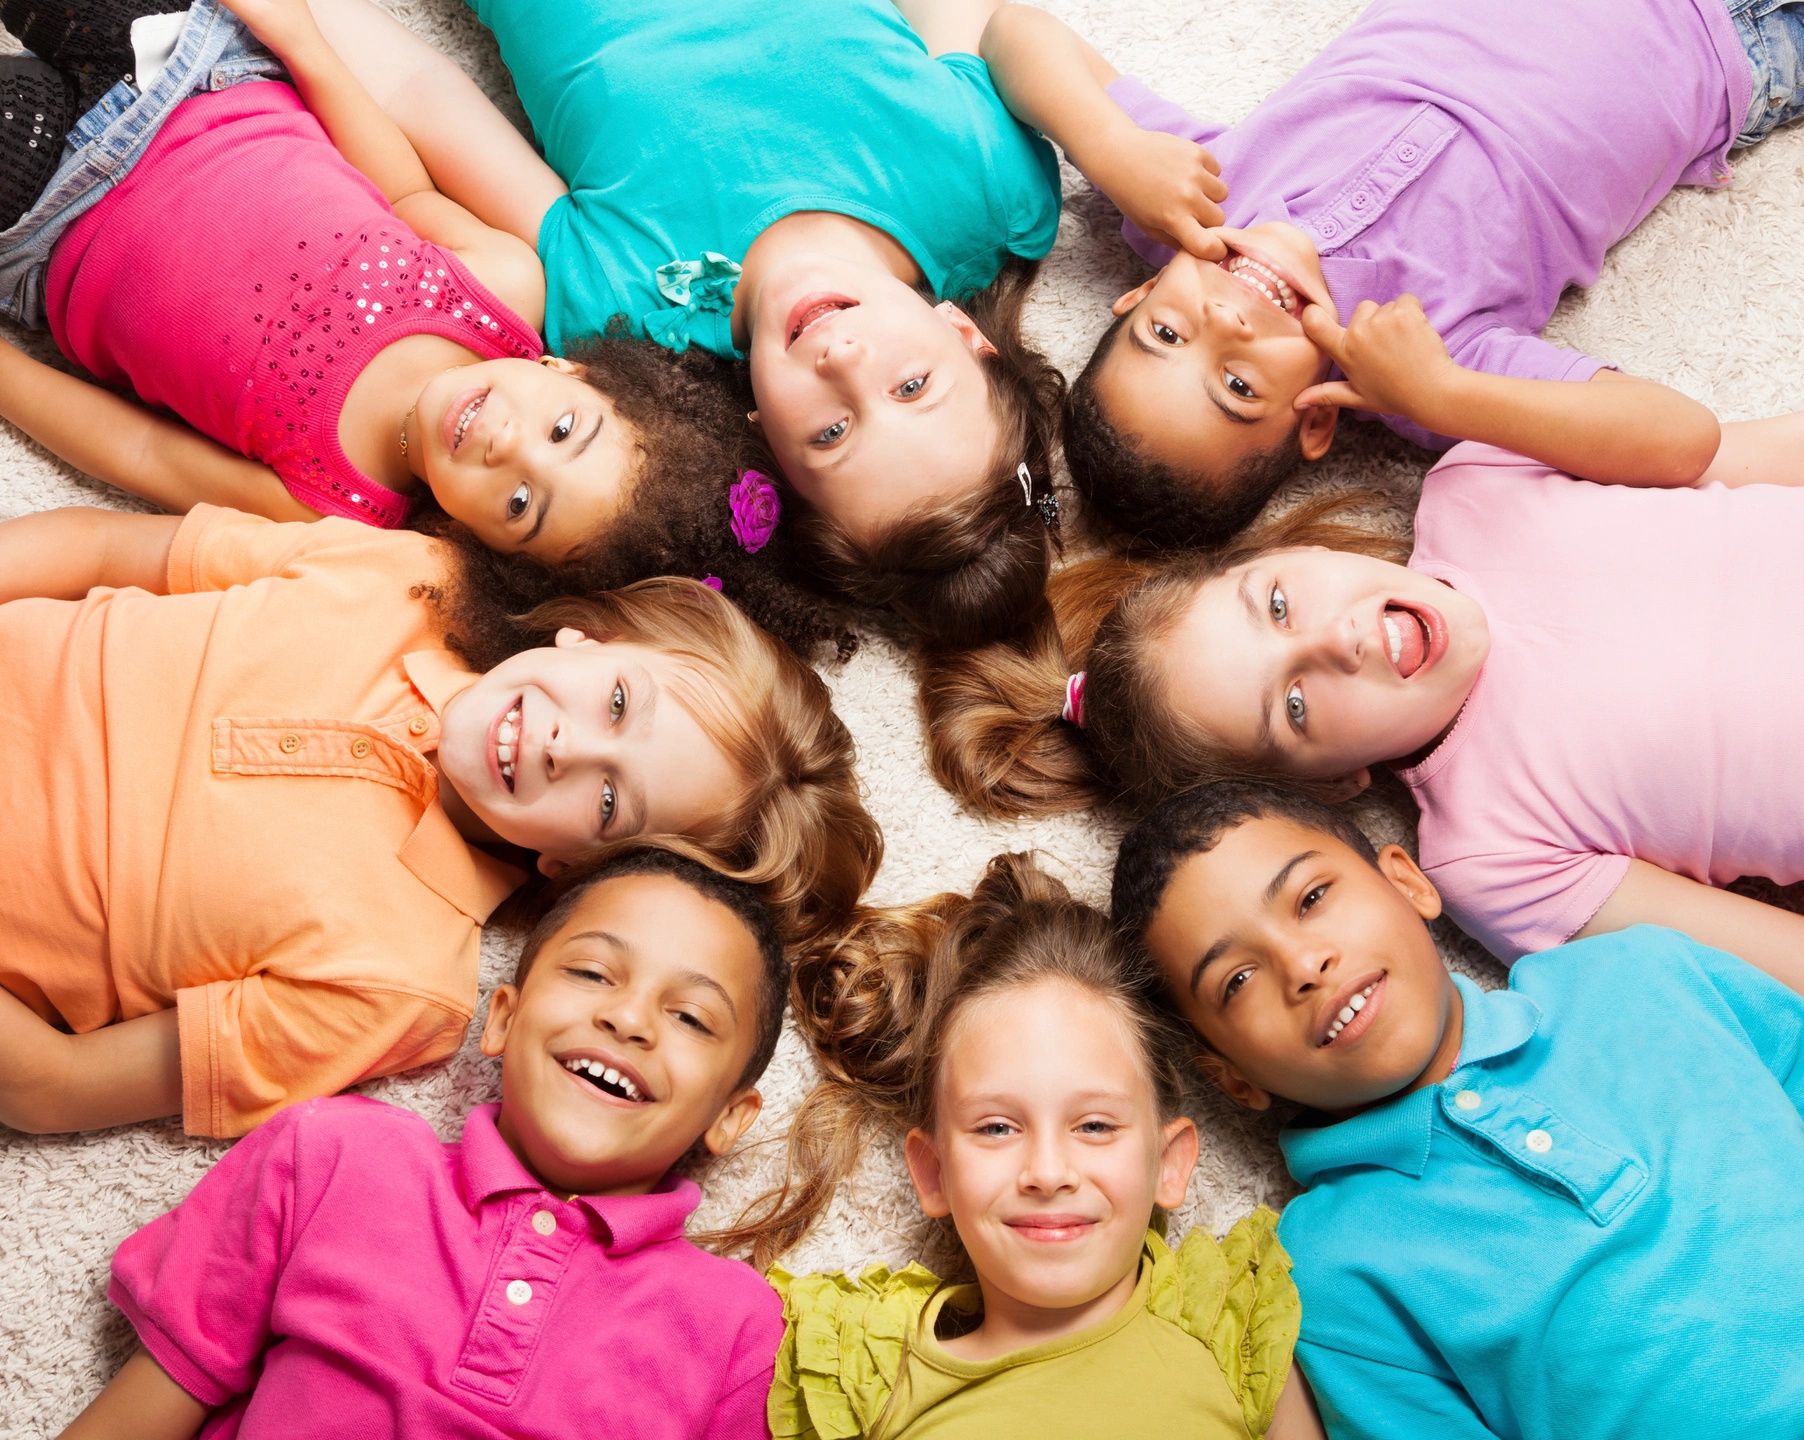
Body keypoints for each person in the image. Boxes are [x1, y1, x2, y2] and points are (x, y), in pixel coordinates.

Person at [291, 0, 1191, 644]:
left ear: (769, 444)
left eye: (834, 432)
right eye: (912, 386)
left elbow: (419, 91)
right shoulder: (986, 188)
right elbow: (982, 16)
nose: (842, 358)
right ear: (964, 334)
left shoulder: (625, 310)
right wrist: (1107, 143)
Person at [0, 501, 880, 1137]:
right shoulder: (409, 579)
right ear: (591, 636)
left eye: (610, 800)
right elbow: (117, 545)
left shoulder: (399, 985)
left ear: (581, 872)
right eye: (616, 700)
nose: (564, 745)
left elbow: (54, 1086)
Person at [0, 0, 838, 652]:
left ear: (479, 546)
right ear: (573, 374)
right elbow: (400, 191)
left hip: (52, 218)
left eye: (518, 502)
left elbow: (140, 452)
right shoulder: (504, 290)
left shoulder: (331, 502)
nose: (509, 443)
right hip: (194, 74)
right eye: (562, 429)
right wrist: (305, 44)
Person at [927, 417, 1804, 985]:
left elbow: (1749, 456)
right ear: (1339, 784)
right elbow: (1773, 967)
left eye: (1276, 604)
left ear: (1280, 553)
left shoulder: (1482, 478)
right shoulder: (1487, 860)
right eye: (1296, 706)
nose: (1335, 640)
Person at [1111, 781, 1804, 1439]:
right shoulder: (1330, 1271)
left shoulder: (1638, 971)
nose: (1303, 964)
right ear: (1232, 1079)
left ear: (1407, 882)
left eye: (1313, 896)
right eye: (1237, 980)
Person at [977, 0, 1801, 546]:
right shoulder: (1428, 361)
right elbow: (1681, 439)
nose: (1225, 325)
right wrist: (1441, 394)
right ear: (1313, 425)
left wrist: (1108, 146)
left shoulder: (1192, 197)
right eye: (1238, 386)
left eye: (1166, 332)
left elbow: (1013, 33)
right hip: (1734, 39)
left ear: (1139, 290)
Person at [56, 849, 791, 1439]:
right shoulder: (333, 1155)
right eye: (594, 973)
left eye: (692, 1017)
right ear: (501, 1021)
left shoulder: (733, 1324)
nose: (629, 1019)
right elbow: (144, 1410)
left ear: (729, 1116)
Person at [756, 853, 1318, 1439]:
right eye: (997, 1127)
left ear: (1170, 1164)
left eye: (1095, 1125)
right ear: (933, 1173)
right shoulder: (863, 1381)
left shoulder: (1236, 1336)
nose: (1048, 1173)